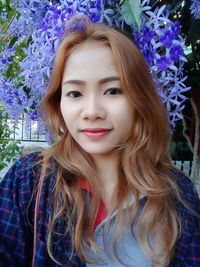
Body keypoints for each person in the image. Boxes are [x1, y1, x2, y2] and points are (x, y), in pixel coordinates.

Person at [0, 15, 200, 267]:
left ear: (140, 101)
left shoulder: (176, 194)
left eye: (113, 91)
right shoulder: (27, 183)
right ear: (58, 104)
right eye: (75, 93)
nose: (92, 111)